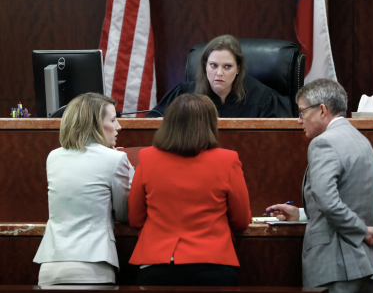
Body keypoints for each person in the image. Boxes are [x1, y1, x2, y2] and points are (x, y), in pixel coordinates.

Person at [266, 79, 373, 293]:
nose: (299, 120)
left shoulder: (324, 142)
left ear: (322, 110)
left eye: (302, 112)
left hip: (335, 266)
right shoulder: (362, 141)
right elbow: (344, 199)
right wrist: (302, 213)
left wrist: (362, 231)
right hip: (364, 265)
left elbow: (329, 203)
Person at [129, 93, 252, 286]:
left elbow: (135, 217)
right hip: (214, 265)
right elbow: (242, 220)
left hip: (158, 265)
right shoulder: (228, 160)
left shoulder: (147, 157)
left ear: (168, 122)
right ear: (210, 124)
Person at [33, 93, 134, 285]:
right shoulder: (115, 159)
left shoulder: (53, 157)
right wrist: (131, 174)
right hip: (93, 266)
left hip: (51, 266)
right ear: (95, 125)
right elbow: (124, 214)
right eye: (113, 120)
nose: (119, 126)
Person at [146, 34, 293, 118]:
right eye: (213, 65)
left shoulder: (263, 98)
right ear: (205, 66)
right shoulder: (183, 94)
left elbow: (280, 138)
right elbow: (151, 127)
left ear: (238, 69)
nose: (219, 73)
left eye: (227, 66)